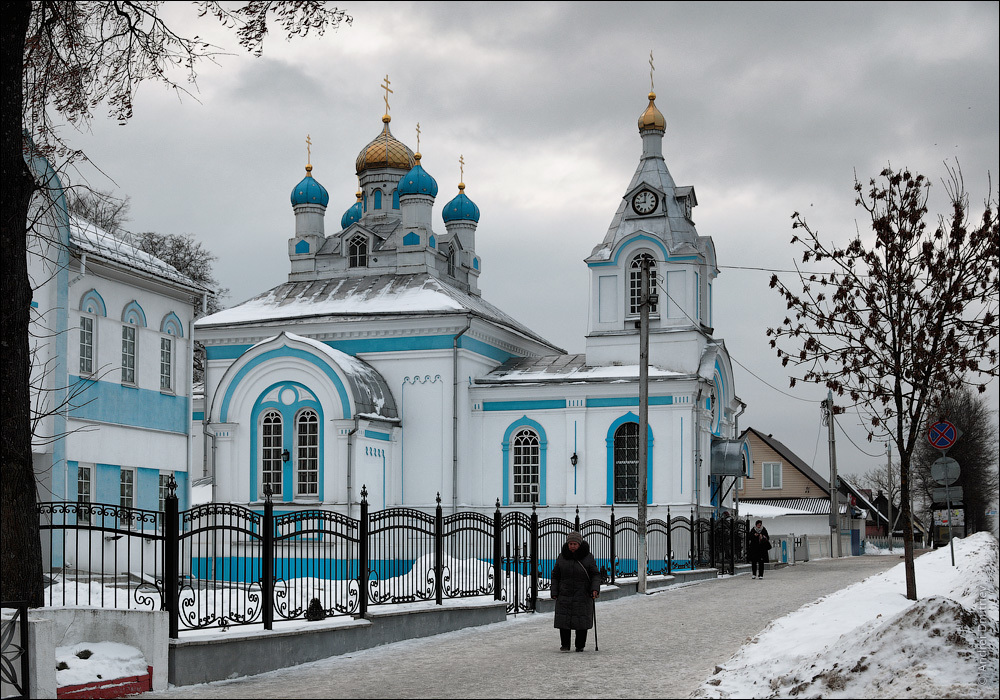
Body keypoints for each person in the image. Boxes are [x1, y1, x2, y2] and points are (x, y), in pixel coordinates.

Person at [550, 531, 602, 651]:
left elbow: (595, 575)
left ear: (579, 544)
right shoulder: (562, 557)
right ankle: (565, 645)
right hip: (564, 593)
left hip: (582, 594)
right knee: (564, 620)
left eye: (575, 544)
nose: (572, 546)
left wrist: (594, 588)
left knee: (581, 621)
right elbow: (555, 575)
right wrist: (554, 591)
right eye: (570, 544)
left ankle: (580, 645)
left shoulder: (588, 557)